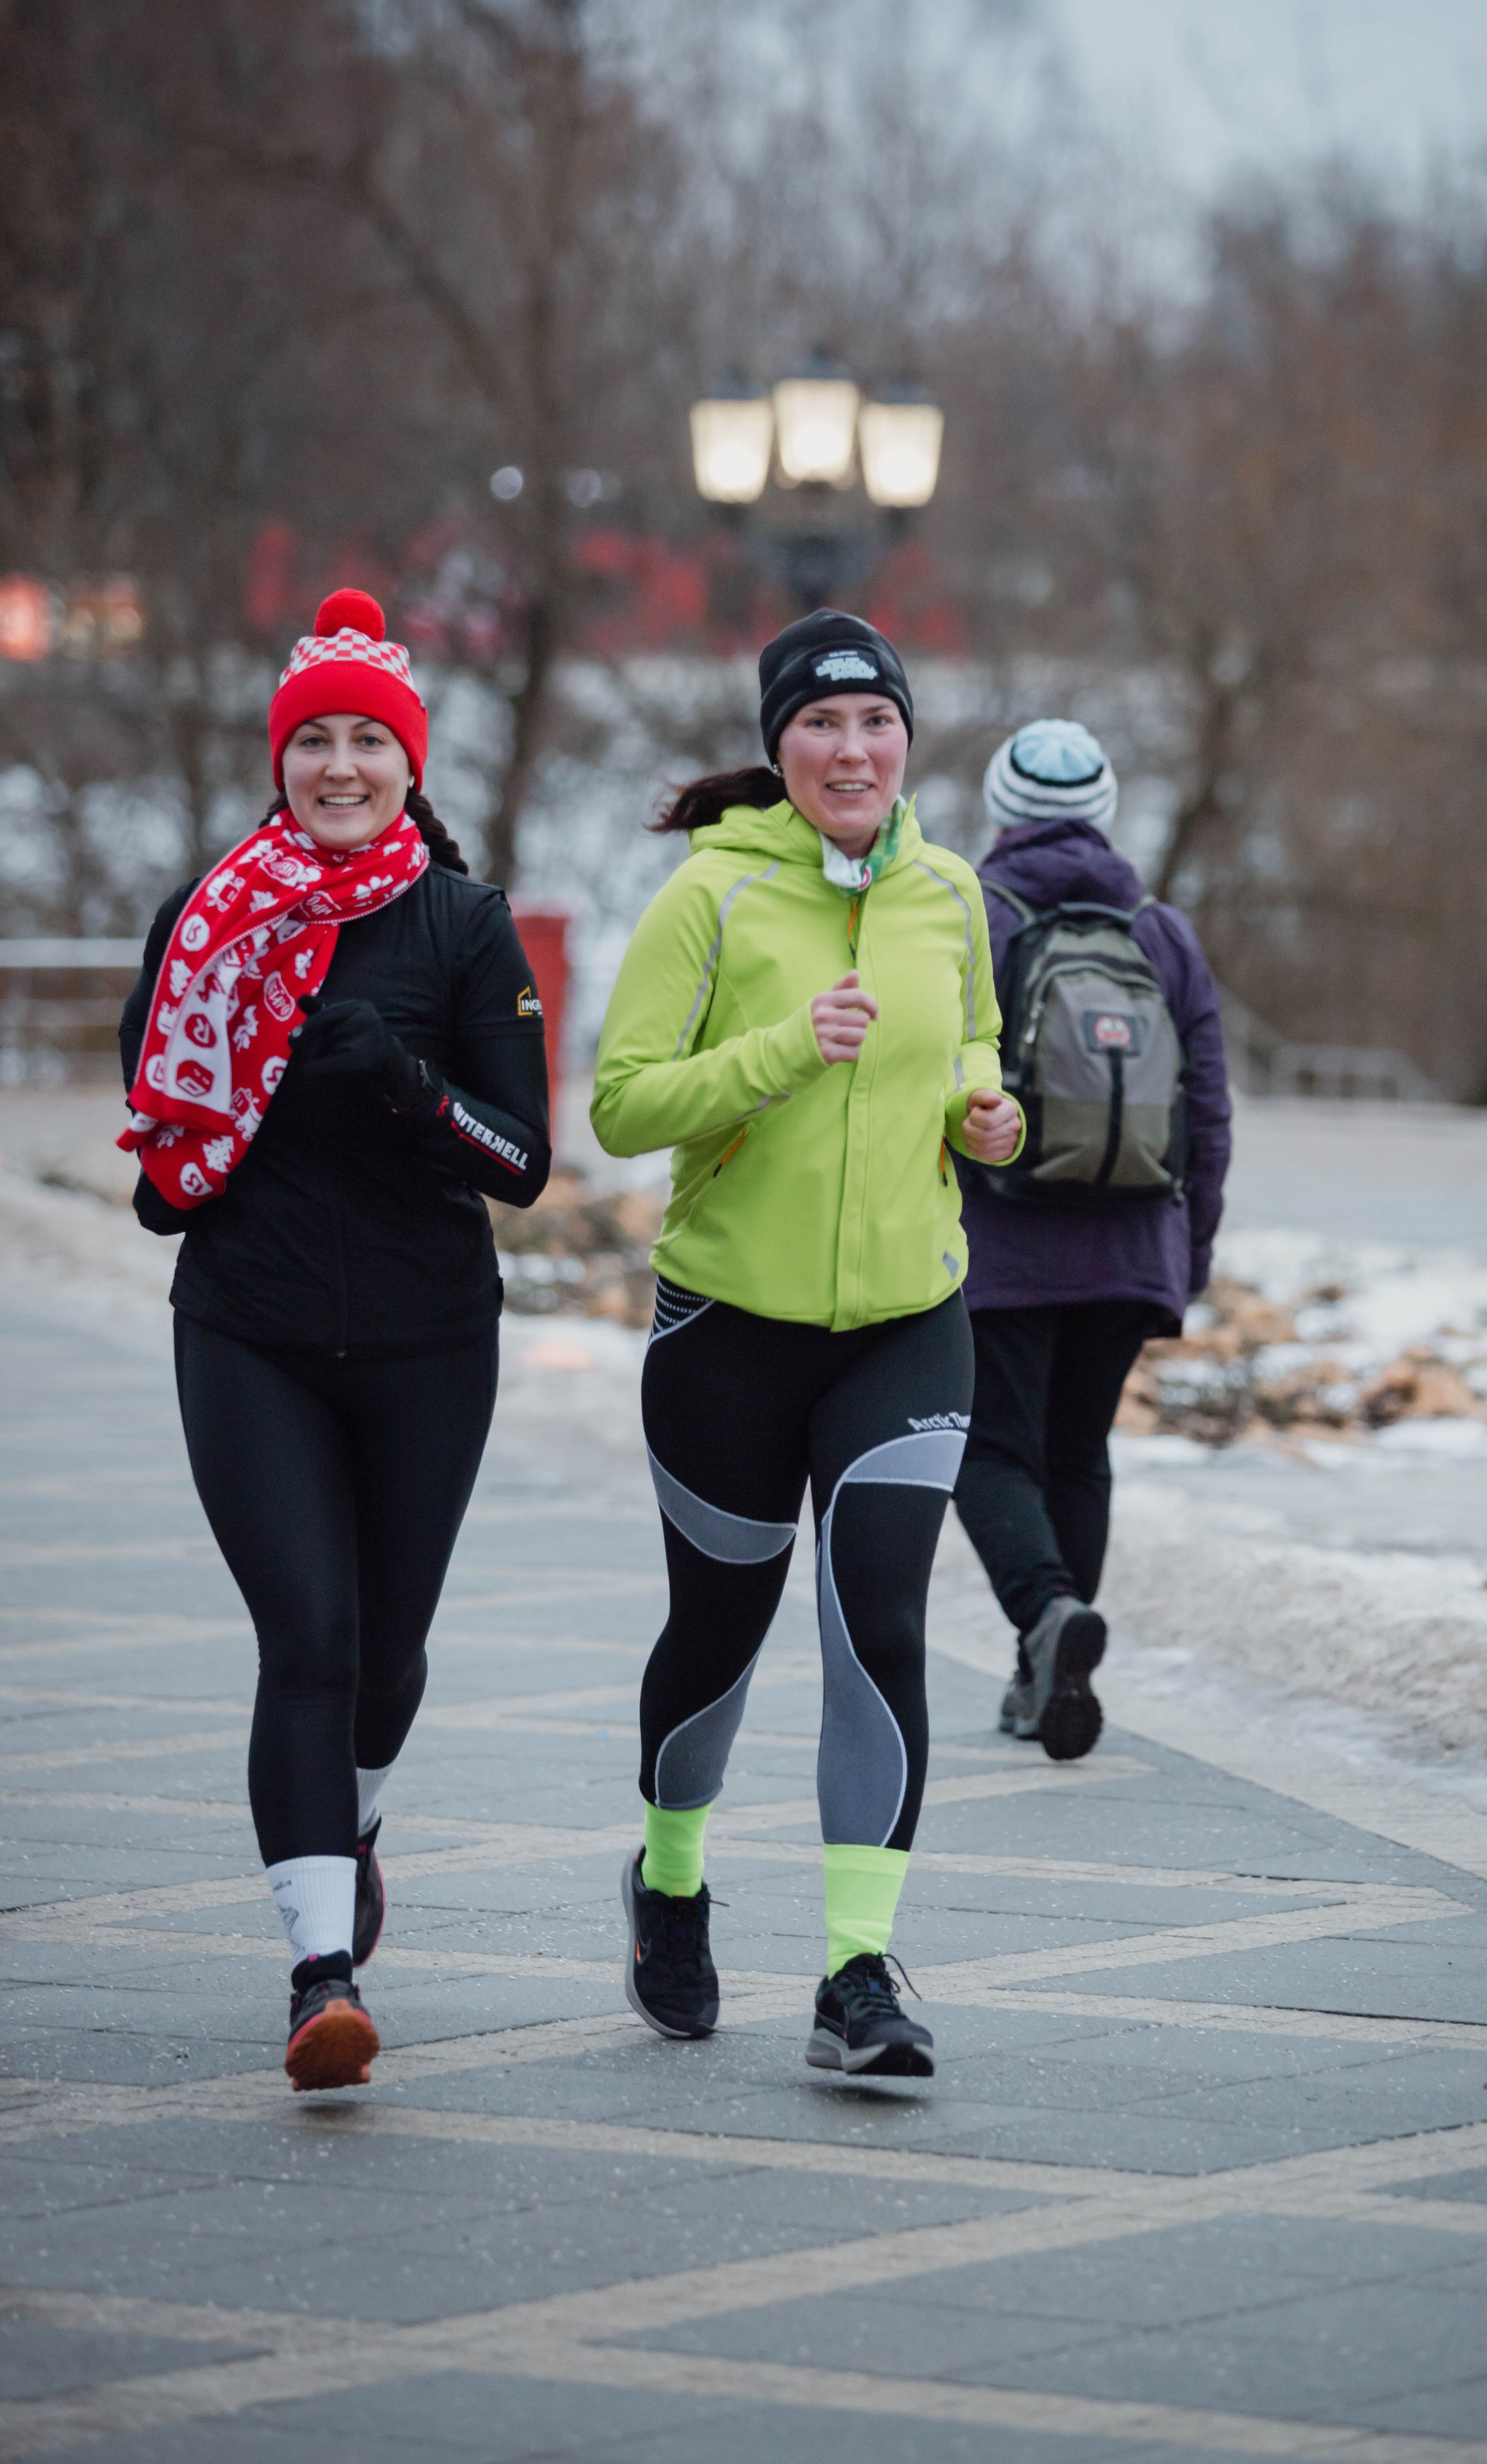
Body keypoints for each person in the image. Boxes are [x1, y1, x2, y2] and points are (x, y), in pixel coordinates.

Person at [118, 589, 549, 2092]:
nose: (343, 767)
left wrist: (408, 1091)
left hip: (432, 1342)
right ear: (280, 759)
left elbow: (520, 1162)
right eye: (317, 742)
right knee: (305, 1639)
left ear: (409, 761)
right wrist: (218, 1126)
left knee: (386, 1655)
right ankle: (322, 1972)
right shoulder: (203, 921)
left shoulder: (460, 921)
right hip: (253, 1333)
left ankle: (352, 1819)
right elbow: (163, 1179)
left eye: (372, 739)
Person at [591, 609, 1022, 2080]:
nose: (853, 749)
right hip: (727, 1328)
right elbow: (623, 1105)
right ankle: (666, 1878)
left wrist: (986, 1102)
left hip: (907, 1320)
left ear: (908, 738)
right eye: (823, 726)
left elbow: (970, 1038)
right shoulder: (708, 900)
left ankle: (856, 1972)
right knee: (718, 1637)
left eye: (876, 723)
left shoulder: (950, 895)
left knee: (877, 1630)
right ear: (779, 749)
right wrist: (784, 1054)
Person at [953, 720, 1231, 1761]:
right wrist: (1185, 1257)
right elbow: (1210, 1109)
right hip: (1130, 1249)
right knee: (1079, 1451)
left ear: (1000, 810)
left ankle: (1044, 1619)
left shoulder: (974, 913)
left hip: (1006, 1240)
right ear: (1108, 811)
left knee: (990, 1448)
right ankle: (1048, 1665)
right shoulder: (1162, 932)